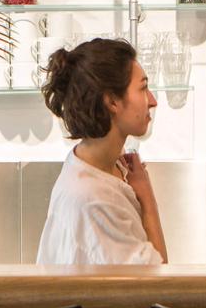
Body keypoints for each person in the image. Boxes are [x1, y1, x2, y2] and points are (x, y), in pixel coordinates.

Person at [34, 37, 168, 265]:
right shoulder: (95, 201)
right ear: (112, 101)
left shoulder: (90, 163)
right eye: (143, 88)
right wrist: (147, 200)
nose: (153, 101)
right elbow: (158, 276)